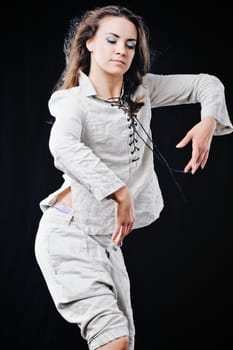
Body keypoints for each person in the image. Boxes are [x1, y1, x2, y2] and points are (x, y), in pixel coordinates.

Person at [34, 4, 233, 350]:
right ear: (90, 43)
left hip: (105, 241)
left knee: (122, 343)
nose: (121, 50)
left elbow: (206, 84)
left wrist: (208, 120)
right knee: (114, 338)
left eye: (130, 44)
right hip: (68, 233)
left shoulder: (141, 91)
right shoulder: (72, 102)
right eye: (112, 40)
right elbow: (62, 144)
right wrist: (118, 191)